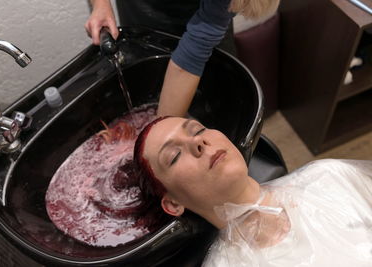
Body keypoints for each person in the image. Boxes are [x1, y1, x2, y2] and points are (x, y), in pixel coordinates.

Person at [133, 116, 372, 266]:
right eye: (174, 156)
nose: (198, 142)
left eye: (197, 129)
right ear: (173, 204)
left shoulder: (329, 177)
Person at [85, 0, 280, 117]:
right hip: (140, 14)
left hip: (204, 28)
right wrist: (100, 4)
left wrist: (158, 137)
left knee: (221, 104)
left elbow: (192, 55)